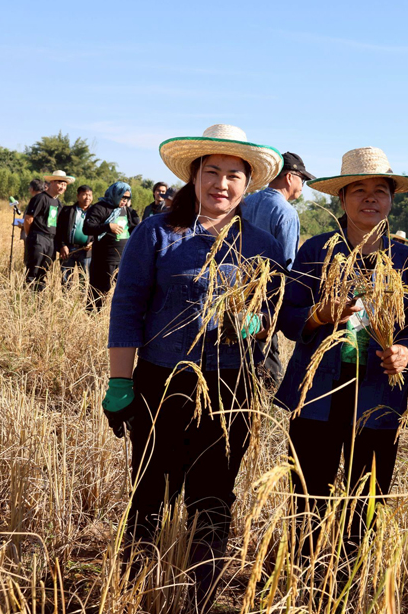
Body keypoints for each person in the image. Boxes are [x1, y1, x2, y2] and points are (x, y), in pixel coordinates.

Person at [102, 124, 286, 610]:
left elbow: (273, 317)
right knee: (149, 491)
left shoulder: (263, 246)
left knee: (214, 496)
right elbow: (127, 308)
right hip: (162, 382)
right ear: (194, 177)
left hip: (232, 389)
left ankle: (198, 596)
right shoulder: (157, 232)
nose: (221, 184)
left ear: (248, 185)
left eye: (233, 175)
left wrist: (255, 322)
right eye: (212, 172)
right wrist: (120, 380)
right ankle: (133, 588)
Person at [276, 147, 408, 559]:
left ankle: (349, 578)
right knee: (308, 498)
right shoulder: (317, 251)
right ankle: (306, 580)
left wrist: (405, 352)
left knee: (367, 501)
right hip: (319, 395)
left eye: (380, 190)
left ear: (392, 199)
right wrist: (317, 316)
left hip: (379, 395)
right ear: (341, 198)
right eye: (358, 189)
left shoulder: (405, 260)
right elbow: (288, 317)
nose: (370, 198)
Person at [241, 151, 314, 387]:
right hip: (266, 300)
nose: (303, 185)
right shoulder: (286, 212)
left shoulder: (245, 201)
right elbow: (287, 264)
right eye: (302, 179)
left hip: (236, 294)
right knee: (266, 362)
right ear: (290, 177)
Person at [83, 182, 139, 310]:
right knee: (98, 293)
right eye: (122, 197)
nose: (124, 201)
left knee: (125, 293)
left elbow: (135, 230)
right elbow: (87, 228)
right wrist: (107, 227)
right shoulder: (100, 208)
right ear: (115, 194)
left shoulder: (127, 211)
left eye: (127, 198)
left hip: (123, 260)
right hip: (103, 260)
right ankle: (92, 320)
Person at [24, 170, 72, 290]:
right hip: (38, 237)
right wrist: (32, 236)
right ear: (51, 182)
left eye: (65, 184)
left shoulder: (58, 203)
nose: (62, 187)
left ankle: (39, 299)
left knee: (44, 271)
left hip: (51, 241)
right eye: (60, 183)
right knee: (33, 271)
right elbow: (28, 219)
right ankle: (28, 299)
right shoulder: (40, 198)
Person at [56, 185, 94, 284]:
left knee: (84, 280)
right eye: (84, 195)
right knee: (66, 279)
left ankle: (82, 299)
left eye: (89, 195)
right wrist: (62, 245)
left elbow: (99, 231)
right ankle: (66, 298)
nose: (87, 198)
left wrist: (92, 243)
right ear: (78, 196)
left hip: (86, 251)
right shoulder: (67, 210)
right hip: (68, 250)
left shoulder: (95, 212)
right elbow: (59, 230)